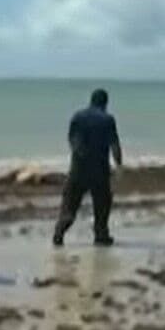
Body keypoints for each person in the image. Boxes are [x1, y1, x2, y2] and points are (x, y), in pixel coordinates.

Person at [54, 89, 123, 246]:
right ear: (105, 103)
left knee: (70, 205)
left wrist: (80, 156)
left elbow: (73, 141)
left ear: (91, 101)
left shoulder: (78, 117)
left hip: (79, 168)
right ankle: (101, 235)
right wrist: (119, 165)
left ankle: (59, 232)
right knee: (102, 205)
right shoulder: (108, 119)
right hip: (100, 169)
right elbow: (115, 145)